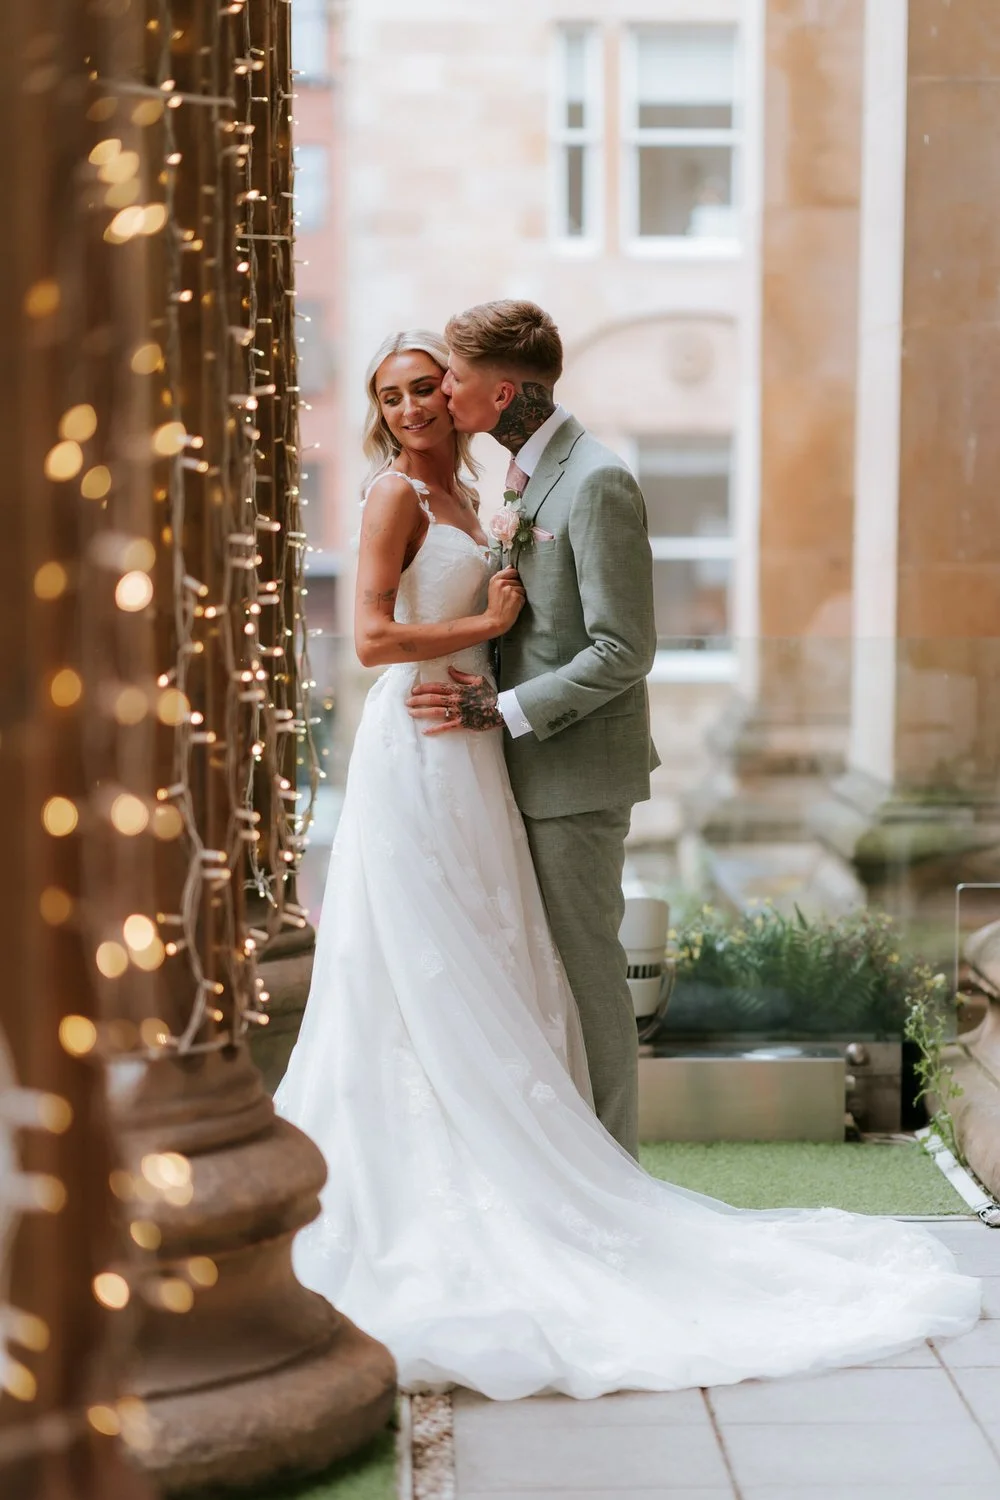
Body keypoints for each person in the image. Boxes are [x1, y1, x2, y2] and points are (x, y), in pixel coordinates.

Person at [273, 326, 979, 1402]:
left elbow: (605, 641)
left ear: (484, 392)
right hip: (422, 744)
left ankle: (582, 1180)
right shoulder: (397, 498)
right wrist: (485, 622)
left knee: (517, 955)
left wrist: (492, 663)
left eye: (436, 384)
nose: (423, 402)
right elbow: (368, 642)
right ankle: (531, 1176)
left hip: (488, 748)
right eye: (402, 392)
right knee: (422, 957)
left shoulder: (510, 486)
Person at [407, 300, 657, 1158]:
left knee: (589, 977)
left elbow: (624, 648)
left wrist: (502, 708)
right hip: (517, 768)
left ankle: (620, 1173)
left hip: (575, 774)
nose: (443, 389)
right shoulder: (520, 473)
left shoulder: (596, 481)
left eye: (456, 377)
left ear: (503, 389)